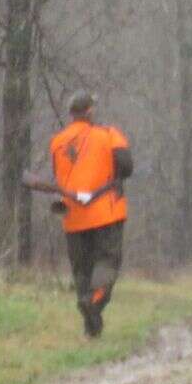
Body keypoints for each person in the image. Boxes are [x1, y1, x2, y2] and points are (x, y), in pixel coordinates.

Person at [23, 91, 132, 337]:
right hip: (107, 213)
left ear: (72, 114)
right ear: (90, 112)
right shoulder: (109, 135)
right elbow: (126, 167)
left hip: (73, 217)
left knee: (82, 270)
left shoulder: (57, 142)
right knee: (107, 262)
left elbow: (60, 176)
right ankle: (93, 303)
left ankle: (90, 327)